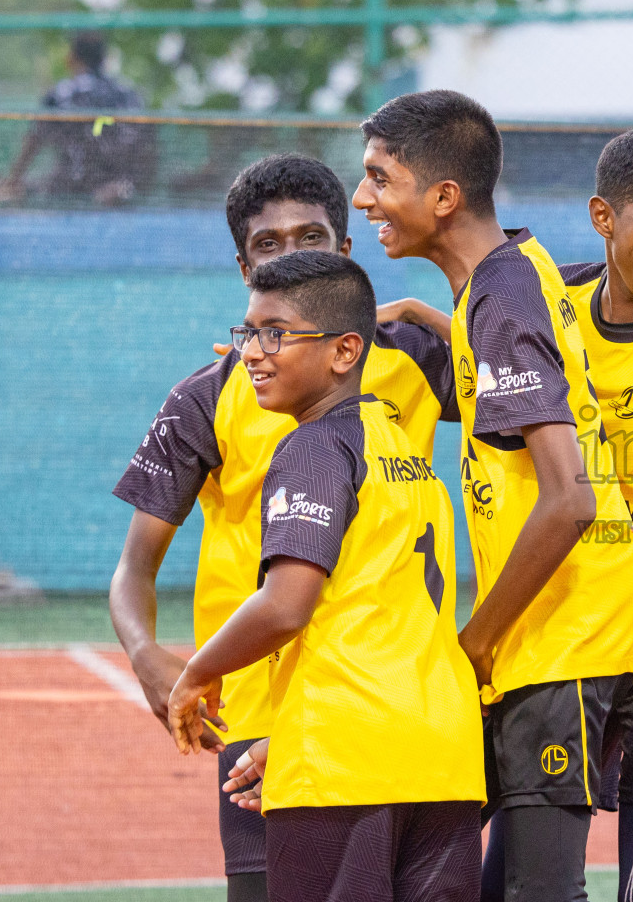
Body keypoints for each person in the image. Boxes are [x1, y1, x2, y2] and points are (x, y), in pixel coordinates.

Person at [387, 128, 633, 900]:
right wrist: (413, 325)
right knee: (507, 871)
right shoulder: (555, 298)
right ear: (603, 218)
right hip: (566, 631)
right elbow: (495, 385)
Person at [109, 154, 457, 902]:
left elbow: (534, 371)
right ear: (245, 269)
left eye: (313, 237)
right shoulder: (208, 398)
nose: (295, 254)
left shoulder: (418, 362)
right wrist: (145, 654)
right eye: (272, 245)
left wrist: (418, 314)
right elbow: (135, 565)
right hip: (267, 719)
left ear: (346, 253)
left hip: (393, 706)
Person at [353, 89, 633, 902]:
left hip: (564, 640)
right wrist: (433, 316)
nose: (363, 197)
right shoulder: (510, 275)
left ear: (443, 198)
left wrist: (475, 640)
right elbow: (542, 369)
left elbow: (571, 499)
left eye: (380, 177)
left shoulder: (501, 295)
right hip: (560, 633)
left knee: (541, 892)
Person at [166, 250, 483, 902]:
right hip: (443, 754)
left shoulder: (314, 446)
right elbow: (371, 617)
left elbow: (285, 607)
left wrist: (197, 673)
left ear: (344, 352)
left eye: (274, 334)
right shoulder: (399, 445)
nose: (251, 352)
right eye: (247, 332)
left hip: (345, 760)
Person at [0, 30, 154, 205]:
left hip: (69, 191)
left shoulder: (60, 95)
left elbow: (34, 140)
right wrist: (130, 186)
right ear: (104, 59)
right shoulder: (128, 94)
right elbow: (148, 147)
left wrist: (13, 180)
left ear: (71, 58)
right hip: (118, 192)